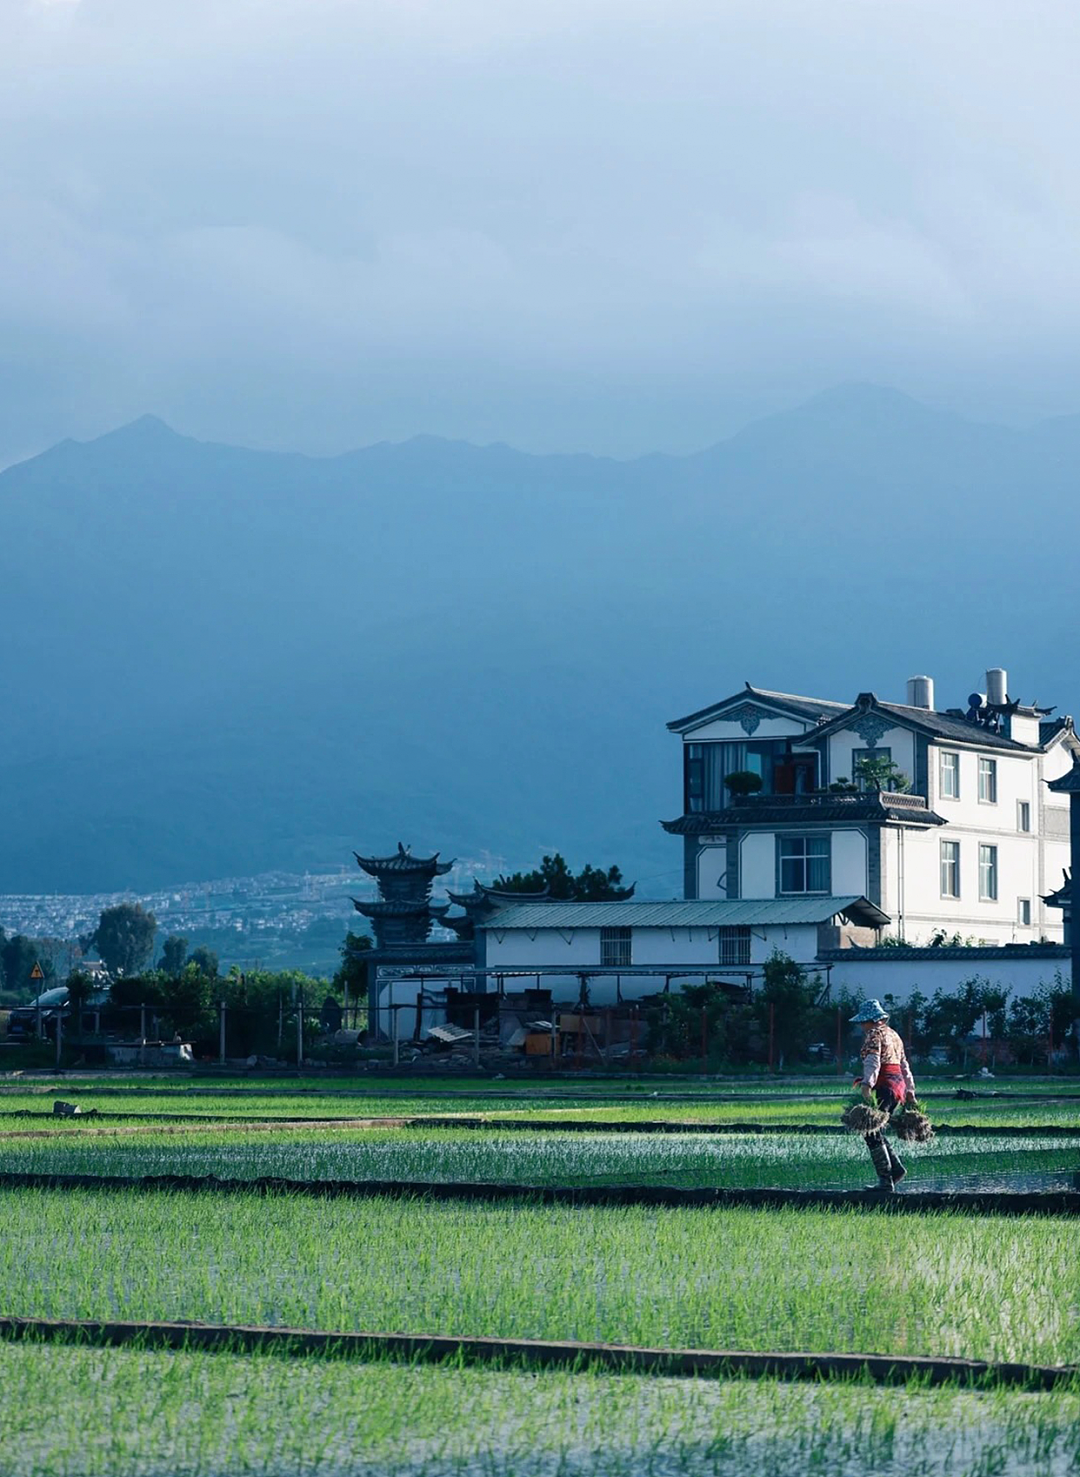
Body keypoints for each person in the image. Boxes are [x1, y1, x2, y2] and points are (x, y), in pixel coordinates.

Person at [850, 999, 916, 1192]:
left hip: (884, 1086)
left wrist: (866, 1085)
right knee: (875, 1130)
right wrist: (910, 1090)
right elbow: (904, 1065)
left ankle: (886, 1181)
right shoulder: (894, 1035)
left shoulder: (874, 1035)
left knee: (870, 1130)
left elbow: (873, 1061)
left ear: (873, 1020)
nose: (862, 1026)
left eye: (864, 1022)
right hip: (897, 1088)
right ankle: (895, 1170)